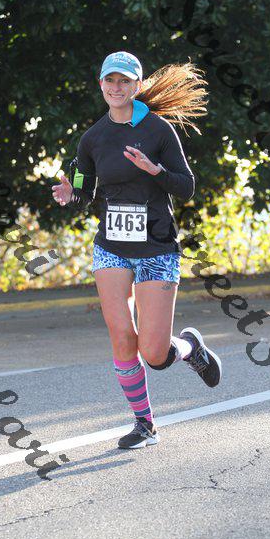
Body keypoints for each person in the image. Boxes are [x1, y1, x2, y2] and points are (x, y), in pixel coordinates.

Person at [51, 51, 222, 450]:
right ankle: (144, 424)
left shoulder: (159, 131)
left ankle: (189, 348)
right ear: (101, 84)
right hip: (111, 248)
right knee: (122, 337)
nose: (116, 87)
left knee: (155, 354)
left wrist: (154, 170)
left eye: (125, 81)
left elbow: (186, 186)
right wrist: (70, 193)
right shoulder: (92, 138)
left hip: (157, 248)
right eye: (110, 80)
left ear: (137, 86)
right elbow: (85, 191)